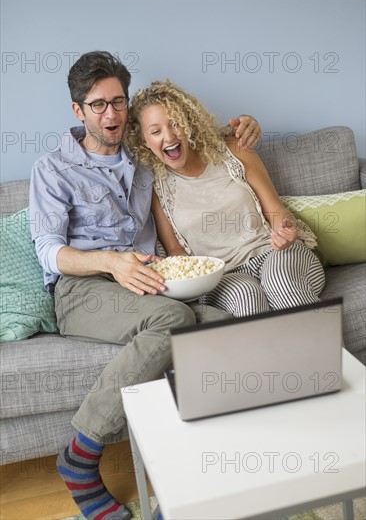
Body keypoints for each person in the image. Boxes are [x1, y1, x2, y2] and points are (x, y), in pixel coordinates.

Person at [29, 51, 261, 520]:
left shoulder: (142, 152)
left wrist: (243, 128)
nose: (111, 114)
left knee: (222, 326)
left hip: (148, 284)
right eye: (98, 105)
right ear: (78, 110)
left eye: (118, 102)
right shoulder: (51, 169)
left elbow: (187, 135)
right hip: (83, 290)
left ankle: (192, 481)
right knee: (176, 318)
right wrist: (110, 262)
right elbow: (49, 251)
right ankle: (80, 457)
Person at [124, 79, 326, 318]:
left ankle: (328, 355)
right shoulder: (155, 186)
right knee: (246, 297)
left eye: (175, 123)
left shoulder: (234, 151)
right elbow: (175, 250)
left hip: (275, 254)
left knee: (280, 282)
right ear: (144, 141)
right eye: (156, 131)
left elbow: (276, 212)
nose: (168, 137)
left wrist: (286, 230)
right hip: (222, 277)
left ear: (188, 123)